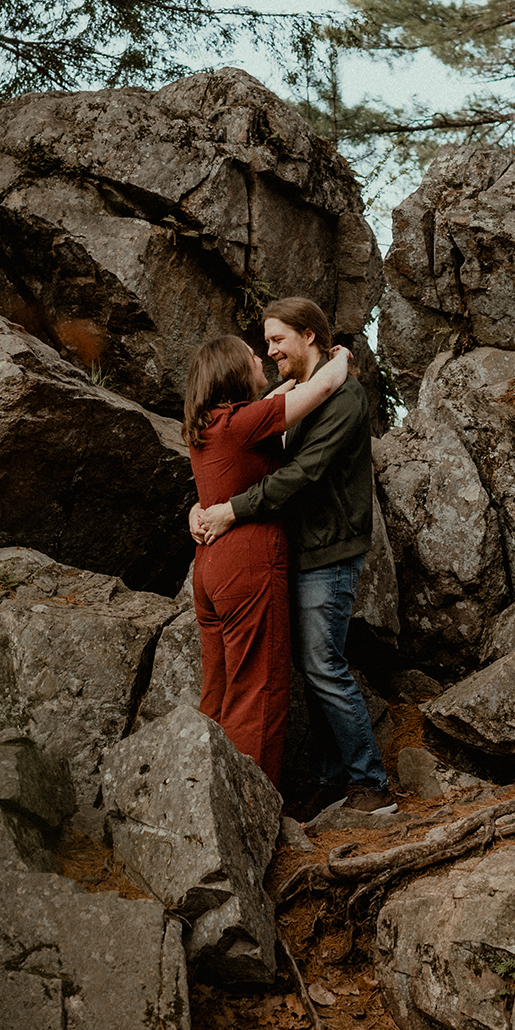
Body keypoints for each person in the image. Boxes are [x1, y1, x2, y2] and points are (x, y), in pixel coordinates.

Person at [191, 297, 392, 817]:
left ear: (309, 335)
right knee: (309, 668)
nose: (270, 349)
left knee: (322, 666)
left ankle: (369, 781)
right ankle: (330, 778)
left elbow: (301, 472)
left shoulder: (342, 393)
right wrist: (205, 505)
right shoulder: (298, 393)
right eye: (265, 342)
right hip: (295, 550)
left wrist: (230, 510)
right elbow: (249, 450)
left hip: (330, 551)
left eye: (278, 339)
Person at [182, 333, 351, 788]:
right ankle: (247, 811)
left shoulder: (208, 425)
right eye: (254, 357)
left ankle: (204, 798)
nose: (263, 359)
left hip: (209, 569)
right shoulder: (243, 423)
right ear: (236, 372)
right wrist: (342, 357)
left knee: (217, 692)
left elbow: (280, 396)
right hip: (248, 563)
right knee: (259, 689)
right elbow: (321, 388)